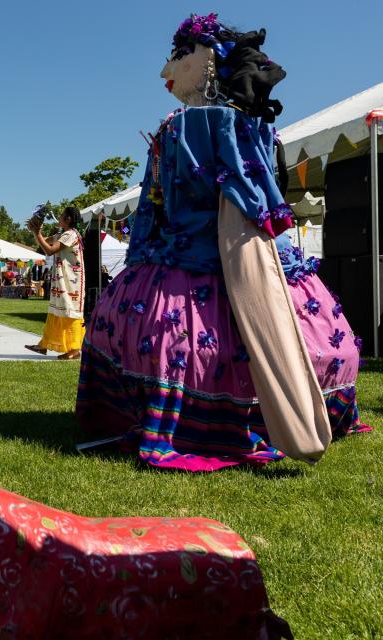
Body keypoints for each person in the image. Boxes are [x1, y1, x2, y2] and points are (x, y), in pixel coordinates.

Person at [76, 13, 369, 472]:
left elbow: (166, 206)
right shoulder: (238, 126)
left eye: (178, 56)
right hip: (224, 253)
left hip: (194, 257)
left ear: (210, 58)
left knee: (170, 342)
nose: (164, 72)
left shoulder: (190, 125)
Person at [25, 206, 85, 360]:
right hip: (63, 280)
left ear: (69, 219)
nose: (59, 217)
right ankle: (44, 344)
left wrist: (37, 232)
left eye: (62, 215)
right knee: (57, 311)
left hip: (71, 283)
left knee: (69, 312)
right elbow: (43, 244)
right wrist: (35, 230)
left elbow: (50, 250)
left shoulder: (71, 235)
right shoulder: (62, 234)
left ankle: (74, 350)